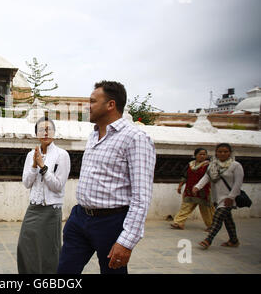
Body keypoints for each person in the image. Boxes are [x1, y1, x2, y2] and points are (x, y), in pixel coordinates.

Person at [57, 81, 156, 274]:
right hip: (80, 218)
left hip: (111, 223)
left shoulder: (135, 138)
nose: (88, 106)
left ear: (110, 105)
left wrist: (126, 241)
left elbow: (141, 196)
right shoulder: (93, 135)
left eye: (93, 101)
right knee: (64, 272)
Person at [17, 116, 71, 274]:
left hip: (51, 210)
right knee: (25, 245)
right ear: (36, 134)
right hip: (33, 208)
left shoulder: (62, 155)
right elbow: (27, 183)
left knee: (49, 250)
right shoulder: (30, 155)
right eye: (41, 130)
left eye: (49, 129)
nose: (45, 133)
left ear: (54, 133)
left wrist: (43, 166)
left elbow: (58, 186)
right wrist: (34, 165)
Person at [193, 143, 244, 249]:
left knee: (217, 218)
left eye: (225, 151)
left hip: (229, 198)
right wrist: (197, 187)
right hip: (217, 197)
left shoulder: (236, 166)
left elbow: (238, 183)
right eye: (220, 151)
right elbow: (206, 177)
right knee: (227, 219)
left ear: (230, 153)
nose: (222, 154)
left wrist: (231, 197)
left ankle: (208, 240)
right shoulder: (213, 165)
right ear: (216, 152)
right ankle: (234, 240)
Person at [170, 148, 215, 231]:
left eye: (204, 154)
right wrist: (180, 186)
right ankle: (179, 223)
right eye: (200, 154)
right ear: (195, 155)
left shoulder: (209, 165)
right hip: (189, 190)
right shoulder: (190, 165)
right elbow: (185, 176)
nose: (202, 156)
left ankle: (211, 226)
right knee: (185, 207)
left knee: (206, 210)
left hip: (203, 191)